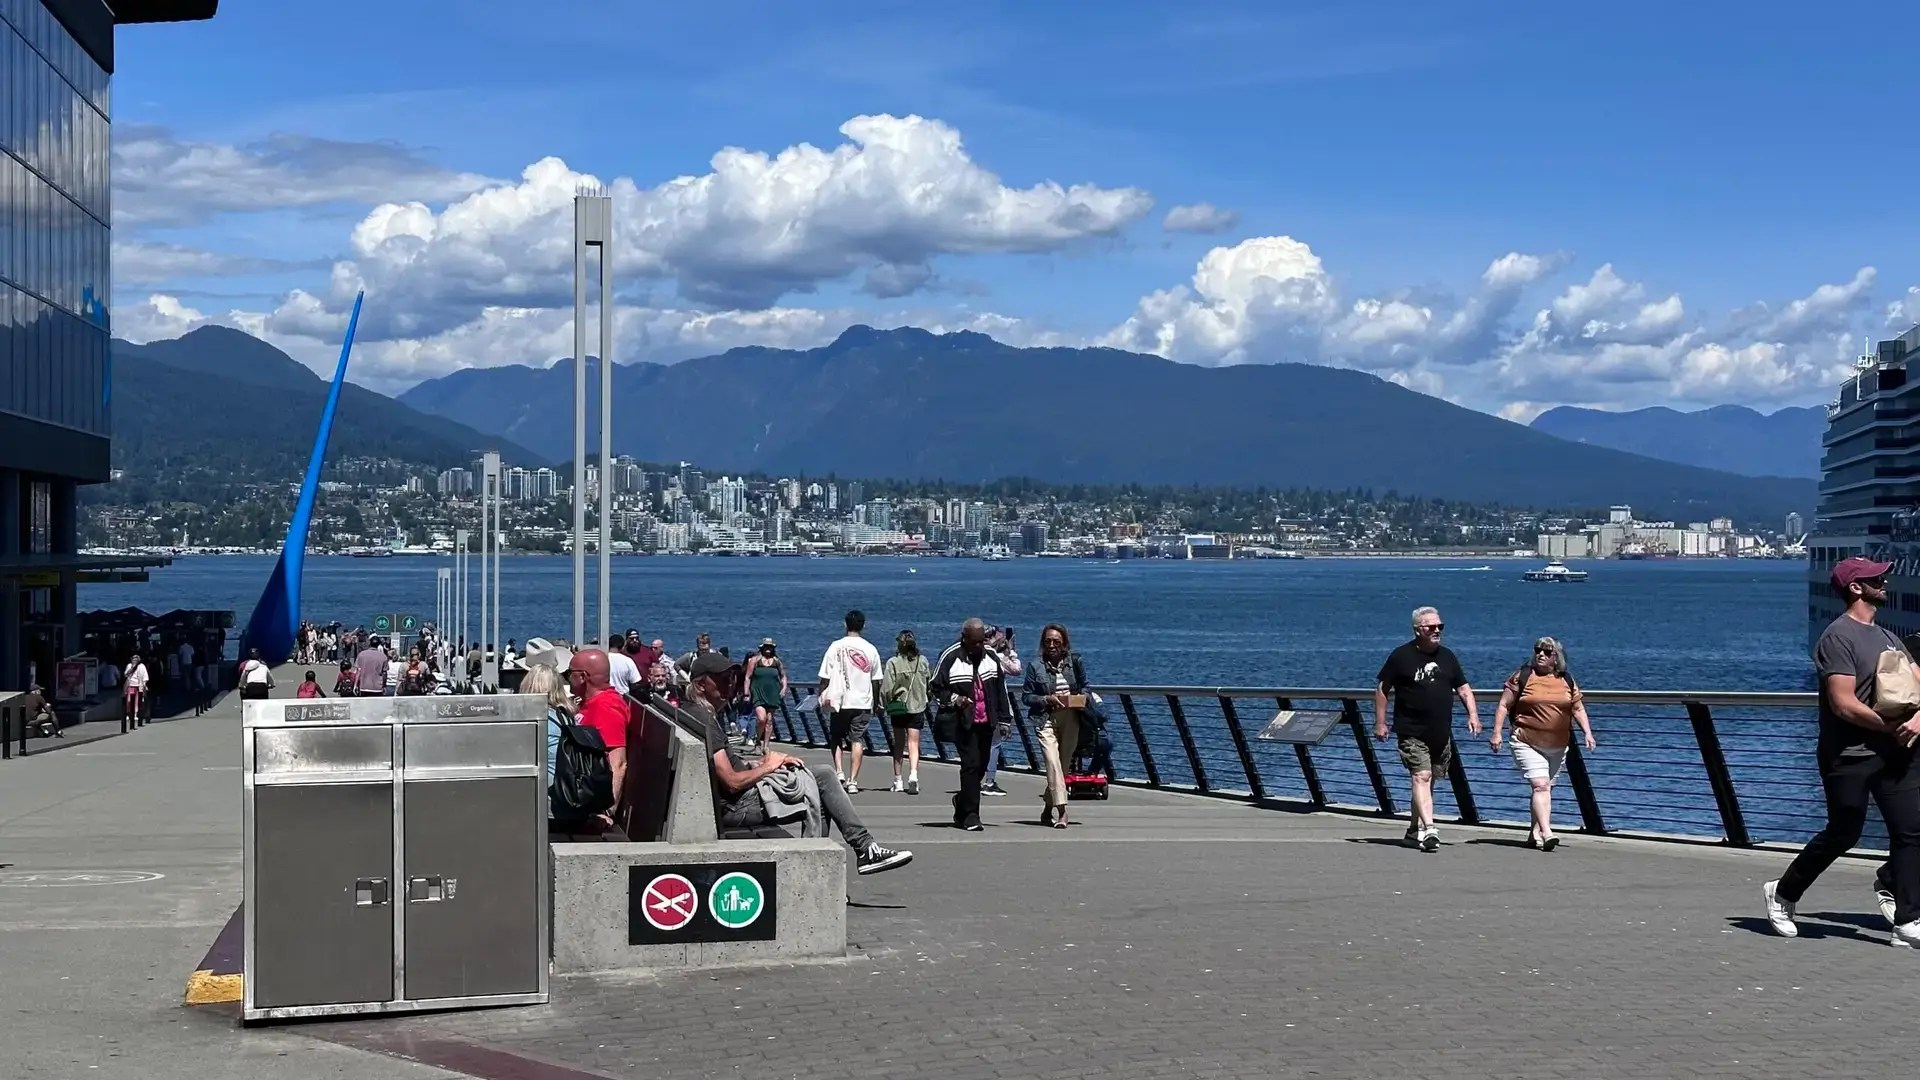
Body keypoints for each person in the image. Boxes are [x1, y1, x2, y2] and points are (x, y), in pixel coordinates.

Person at [1765, 556, 1920, 945]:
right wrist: (1890, 727)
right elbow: (1842, 703)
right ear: (1856, 587)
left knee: (1911, 831)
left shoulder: (1888, 637)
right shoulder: (1838, 637)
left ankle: (1907, 919)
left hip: (1894, 753)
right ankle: (1783, 893)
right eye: (1876, 578)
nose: (1884, 581)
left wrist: (1917, 721)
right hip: (1848, 755)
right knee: (1842, 833)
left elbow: (1916, 685)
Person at [685, 653, 912, 875]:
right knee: (822, 779)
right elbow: (732, 783)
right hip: (737, 806)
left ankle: (820, 869)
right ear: (701, 685)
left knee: (819, 785)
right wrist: (769, 767)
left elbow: (726, 766)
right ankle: (858, 851)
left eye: (731, 676)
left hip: (733, 800)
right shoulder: (705, 719)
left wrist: (760, 762)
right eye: (721, 677)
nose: (730, 682)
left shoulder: (698, 713)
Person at [1373, 606, 1479, 853]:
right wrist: (1381, 721)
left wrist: (1472, 715)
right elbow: (1382, 688)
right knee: (1421, 776)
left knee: (1428, 782)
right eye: (1431, 626)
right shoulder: (1402, 656)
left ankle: (1413, 831)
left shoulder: (1448, 656)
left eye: (1440, 626)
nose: (1437, 630)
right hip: (1411, 730)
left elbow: (1463, 688)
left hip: (1440, 732)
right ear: (1418, 629)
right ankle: (1430, 828)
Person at [1488, 636, 1595, 850]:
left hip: (1558, 743)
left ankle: (1534, 833)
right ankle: (1547, 833)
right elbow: (1503, 705)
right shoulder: (1523, 676)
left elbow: (1578, 708)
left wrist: (1588, 733)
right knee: (1540, 785)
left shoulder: (1566, 680)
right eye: (1538, 650)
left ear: (1557, 658)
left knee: (1545, 789)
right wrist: (1497, 733)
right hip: (1526, 740)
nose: (1541, 654)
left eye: (1547, 652)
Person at [934, 619, 1013, 832]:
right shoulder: (950, 656)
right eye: (975, 642)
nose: (979, 646)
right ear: (965, 638)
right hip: (963, 722)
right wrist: (955, 699)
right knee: (970, 765)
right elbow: (935, 687)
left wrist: (1005, 720)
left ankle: (962, 802)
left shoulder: (991, 657)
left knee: (981, 765)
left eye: (982, 641)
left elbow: (1000, 690)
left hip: (986, 722)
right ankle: (971, 815)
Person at [1022, 623, 1103, 828]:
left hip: (1072, 717)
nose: (1051, 645)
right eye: (1048, 641)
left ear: (1064, 643)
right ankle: (1063, 812)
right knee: (1052, 762)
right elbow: (1026, 696)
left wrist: (1079, 697)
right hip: (1045, 718)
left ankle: (1047, 809)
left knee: (1063, 766)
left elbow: (1085, 686)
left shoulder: (1075, 662)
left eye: (1056, 641)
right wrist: (1046, 699)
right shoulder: (1035, 666)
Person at [819, 611, 884, 793]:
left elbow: (824, 675)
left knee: (836, 736)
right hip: (862, 701)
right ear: (864, 625)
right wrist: (876, 702)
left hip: (840, 700)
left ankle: (839, 771)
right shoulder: (871, 649)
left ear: (845, 624)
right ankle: (853, 780)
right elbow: (876, 679)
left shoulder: (835, 646)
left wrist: (822, 693)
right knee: (857, 740)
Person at [565, 649, 630, 823]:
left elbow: (618, 763)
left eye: (569, 673)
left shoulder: (607, 708)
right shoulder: (589, 702)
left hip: (590, 802)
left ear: (583, 677)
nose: (567, 678)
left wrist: (607, 812)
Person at [881, 630, 931, 795]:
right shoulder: (922, 661)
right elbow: (928, 682)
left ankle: (898, 780)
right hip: (917, 706)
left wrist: (883, 704)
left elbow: (887, 688)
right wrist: (926, 698)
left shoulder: (893, 663)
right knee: (914, 743)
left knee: (899, 744)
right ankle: (914, 774)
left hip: (898, 707)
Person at [979, 626, 1023, 797]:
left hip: (980, 705)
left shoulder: (975, 655)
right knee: (994, 743)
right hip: (996, 706)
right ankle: (989, 781)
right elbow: (1016, 669)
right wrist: (1011, 651)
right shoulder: (996, 658)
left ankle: (977, 777)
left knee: (980, 743)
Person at [743, 639, 788, 750]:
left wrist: (783, 689)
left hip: (772, 693)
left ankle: (766, 745)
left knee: (769, 720)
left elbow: (783, 676)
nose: (768, 649)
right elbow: (747, 677)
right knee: (762, 719)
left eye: (770, 647)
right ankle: (758, 739)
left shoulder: (776, 661)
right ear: (761, 648)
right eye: (766, 646)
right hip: (757, 692)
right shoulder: (755, 660)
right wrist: (746, 693)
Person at [123, 653, 151, 721]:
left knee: (137, 701)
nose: (134, 661)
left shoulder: (142, 666)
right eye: (133, 659)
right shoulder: (129, 665)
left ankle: (135, 714)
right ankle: (128, 714)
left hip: (139, 685)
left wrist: (144, 684)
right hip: (130, 685)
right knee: (129, 700)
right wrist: (132, 667)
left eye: (136, 660)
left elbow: (145, 676)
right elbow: (125, 674)